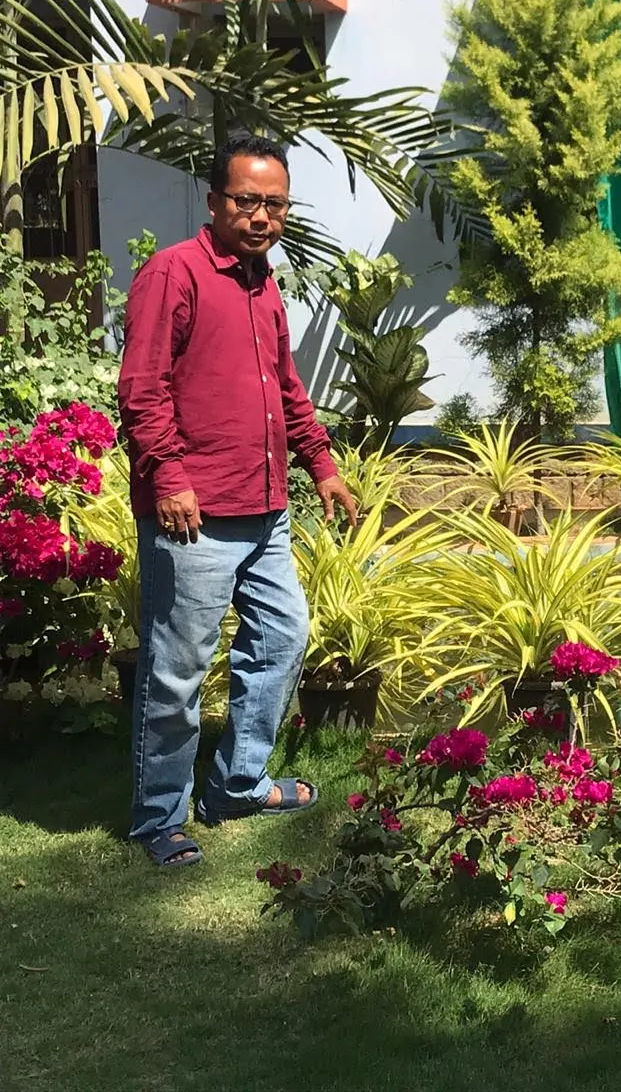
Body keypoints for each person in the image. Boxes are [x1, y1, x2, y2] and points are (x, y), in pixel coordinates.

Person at [118, 132, 357, 868]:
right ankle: (159, 816)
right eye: (247, 201)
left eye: (275, 204)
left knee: (283, 638)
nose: (262, 216)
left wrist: (321, 463)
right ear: (215, 200)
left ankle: (236, 784)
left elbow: (284, 387)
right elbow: (142, 388)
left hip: (265, 507)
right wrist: (169, 476)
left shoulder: (263, 283)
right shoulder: (174, 273)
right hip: (194, 514)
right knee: (176, 671)